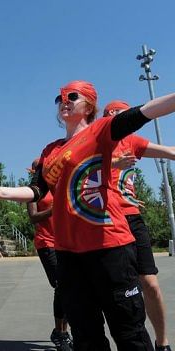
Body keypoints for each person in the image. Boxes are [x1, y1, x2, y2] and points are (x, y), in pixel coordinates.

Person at [0, 81, 175, 350]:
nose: (64, 101)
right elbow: (37, 189)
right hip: (67, 253)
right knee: (86, 336)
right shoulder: (50, 151)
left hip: (110, 247)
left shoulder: (102, 130)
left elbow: (146, 111)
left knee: (129, 333)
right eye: (60, 98)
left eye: (72, 96)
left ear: (89, 105)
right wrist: (1, 191)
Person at [102, 100, 172, 351]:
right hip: (104, 219)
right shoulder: (96, 142)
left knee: (150, 285)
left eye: (124, 116)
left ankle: (162, 343)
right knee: (111, 289)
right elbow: (76, 170)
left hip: (131, 217)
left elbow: (170, 151)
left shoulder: (132, 142)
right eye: (113, 117)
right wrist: (114, 164)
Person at [26, 159, 72, 351]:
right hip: (46, 243)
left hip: (65, 242)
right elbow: (33, 217)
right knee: (61, 285)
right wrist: (55, 210)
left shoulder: (60, 186)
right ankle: (59, 332)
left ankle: (64, 331)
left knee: (70, 287)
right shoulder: (32, 193)